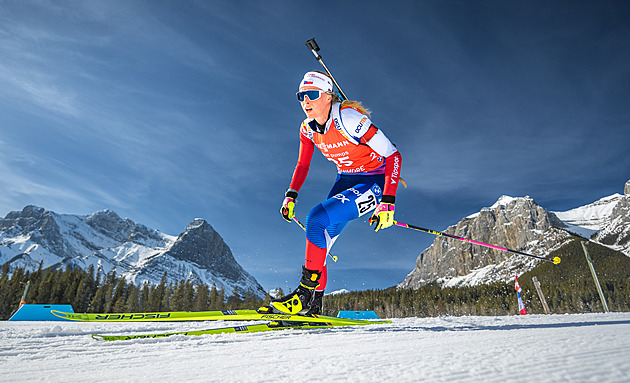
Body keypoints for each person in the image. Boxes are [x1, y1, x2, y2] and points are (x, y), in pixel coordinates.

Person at [266, 70, 402, 316]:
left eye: (312, 94)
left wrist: (388, 203)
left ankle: (303, 295)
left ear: (328, 97)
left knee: (316, 218)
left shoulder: (349, 119)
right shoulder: (307, 129)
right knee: (320, 239)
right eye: (301, 96)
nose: (305, 101)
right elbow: (303, 165)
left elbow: (393, 155)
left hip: (373, 183)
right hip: (345, 181)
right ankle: (314, 305)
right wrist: (291, 195)